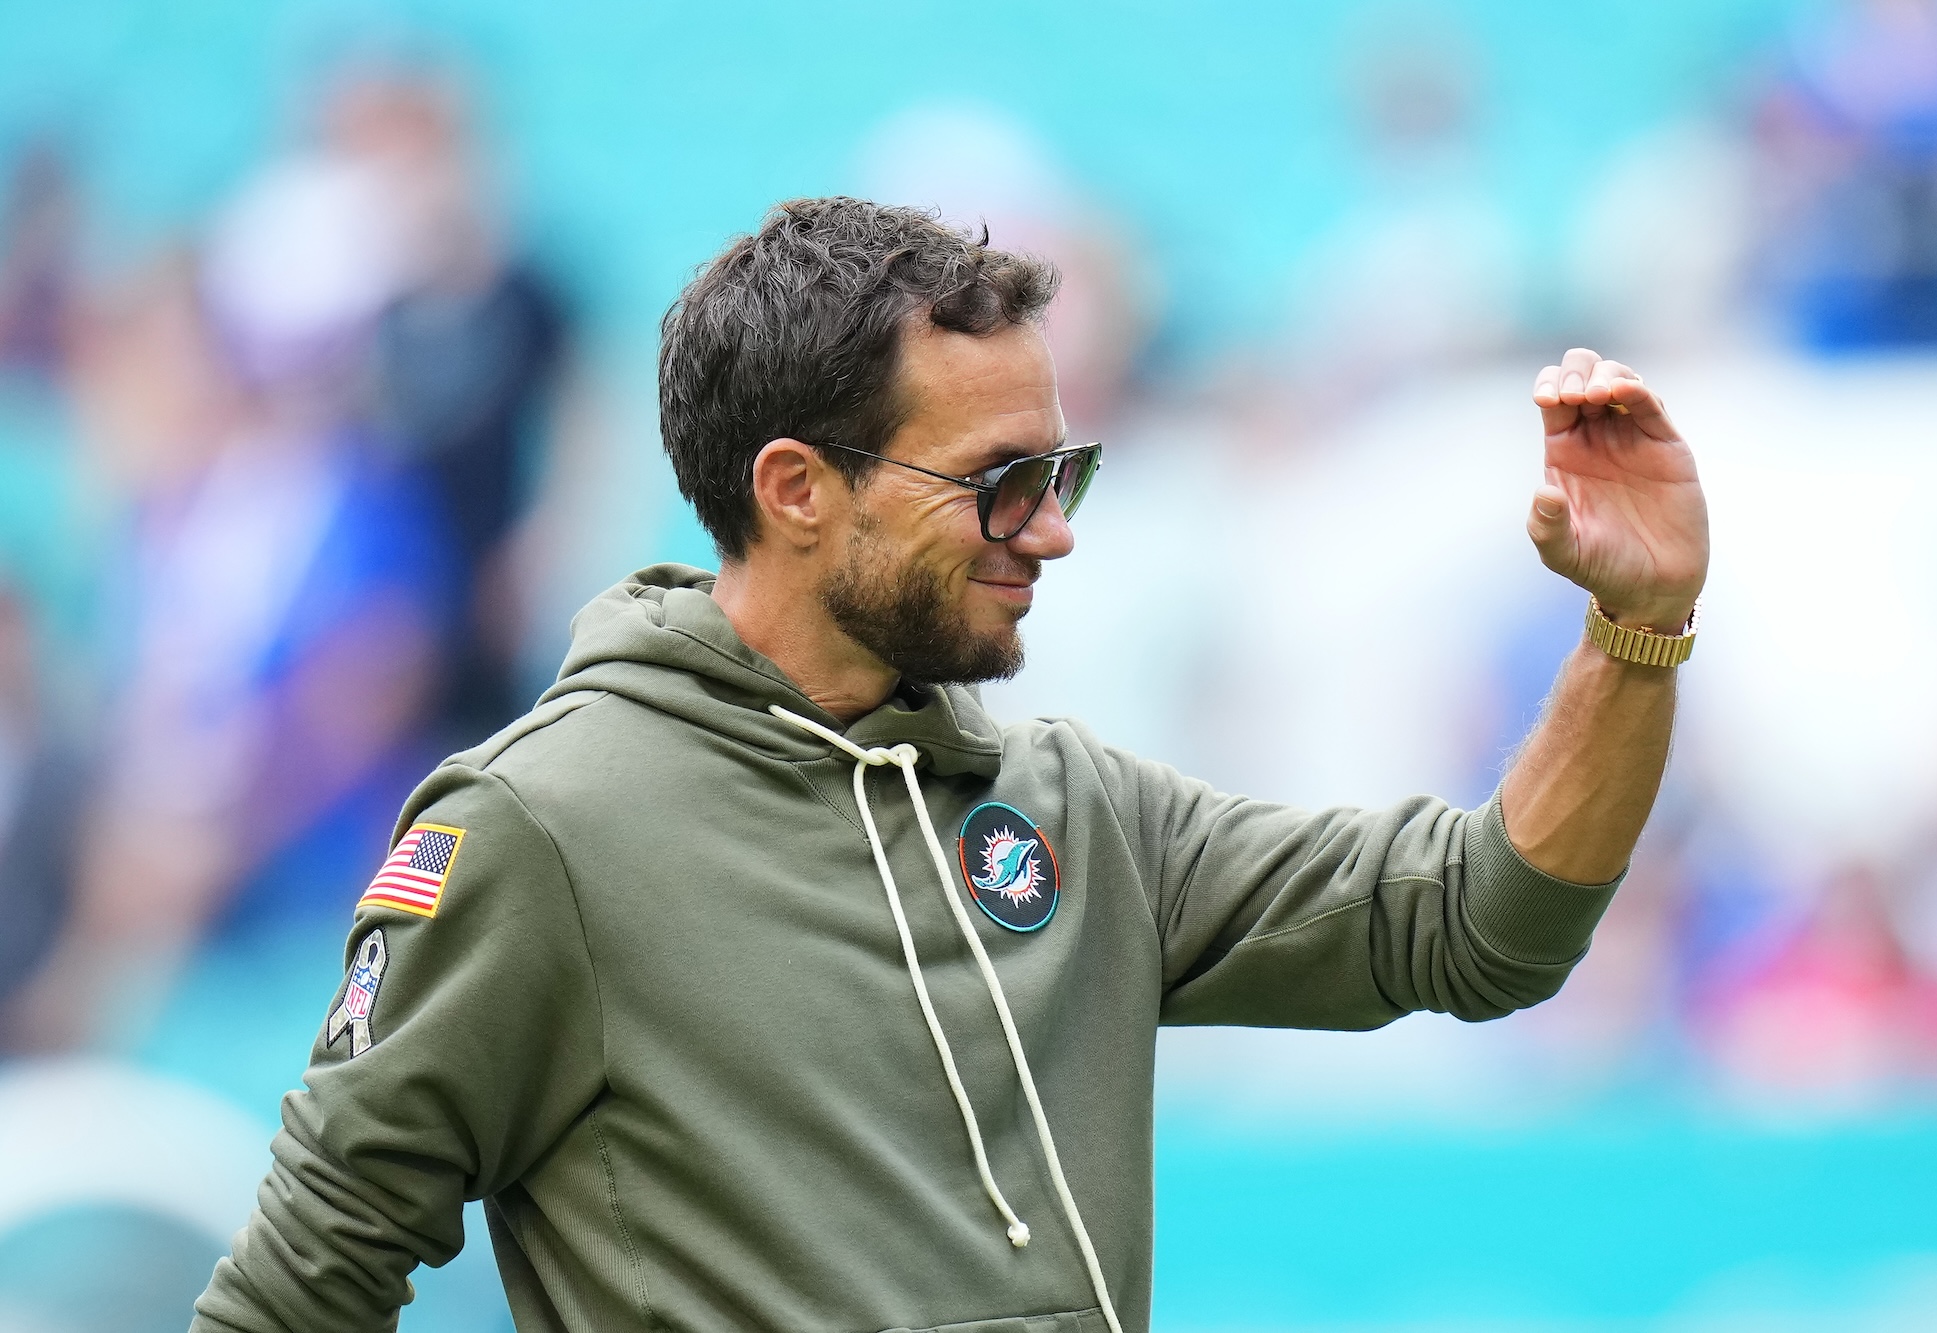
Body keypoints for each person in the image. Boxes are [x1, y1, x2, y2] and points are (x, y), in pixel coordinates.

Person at [191, 198, 1709, 1333]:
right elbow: (299, 1289)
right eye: (999, 484)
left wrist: (1635, 632)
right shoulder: (535, 826)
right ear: (795, 489)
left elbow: (1476, 923)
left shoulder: (1073, 801)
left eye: (1062, 473)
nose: (1052, 528)